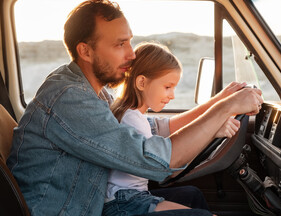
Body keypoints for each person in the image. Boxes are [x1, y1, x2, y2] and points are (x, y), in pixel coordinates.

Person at [6, 0, 263, 216]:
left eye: (129, 41)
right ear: (85, 51)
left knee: (192, 197)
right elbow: (157, 161)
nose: (131, 54)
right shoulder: (70, 98)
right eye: (120, 44)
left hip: (90, 204)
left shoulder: (94, 91)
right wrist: (228, 106)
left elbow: (155, 127)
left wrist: (217, 102)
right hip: (68, 210)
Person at [103, 42, 241, 216]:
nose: (172, 95)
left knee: (192, 194)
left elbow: (170, 127)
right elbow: (165, 170)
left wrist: (218, 103)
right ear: (142, 82)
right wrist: (212, 132)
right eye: (167, 87)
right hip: (124, 203)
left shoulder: (135, 115)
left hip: (131, 197)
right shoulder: (131, 120)